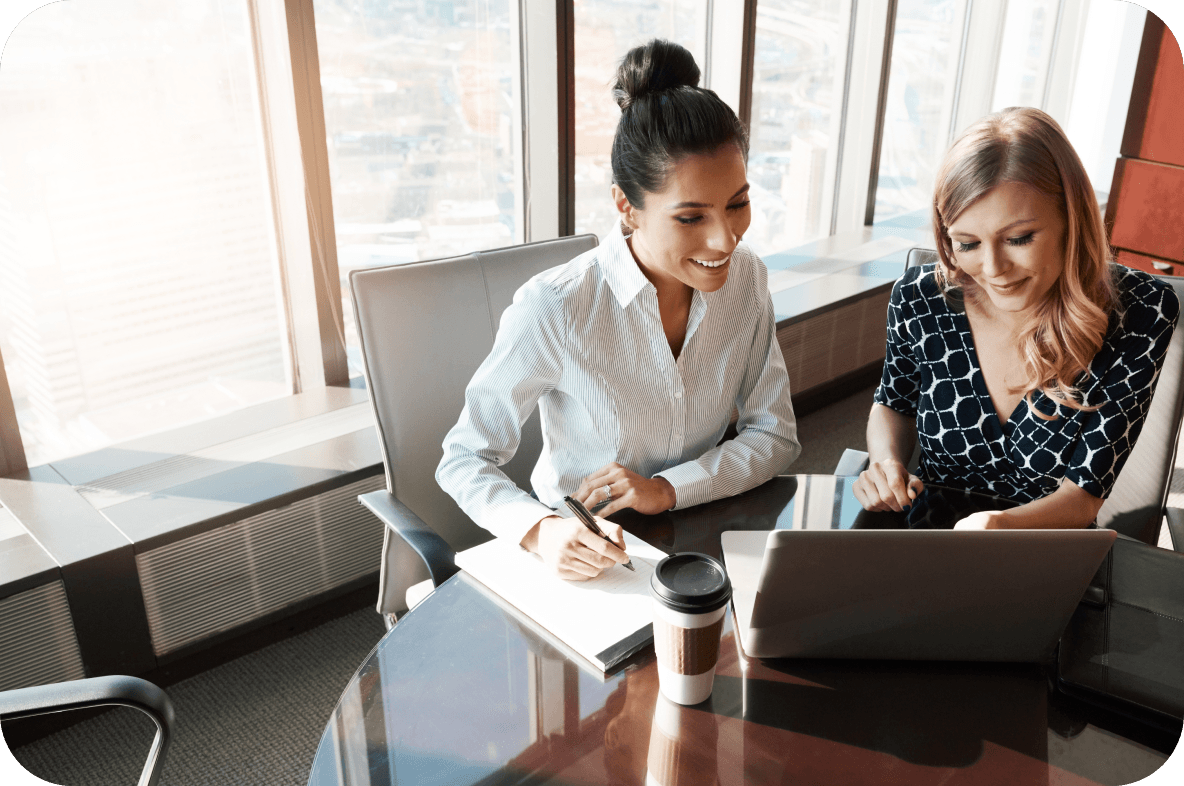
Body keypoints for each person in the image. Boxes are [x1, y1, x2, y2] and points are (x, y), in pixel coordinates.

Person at [437, 39, 800, 578]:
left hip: (701, 527)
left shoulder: (747, 279)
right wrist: (539, 530)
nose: (726, 240)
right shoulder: (556, 307)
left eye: (737, 204)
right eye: (691, 217)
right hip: (588, 546)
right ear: (627, 207)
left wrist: (666, 490)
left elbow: (775, 435)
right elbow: (463, 458)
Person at [854, 107, 1179, 529]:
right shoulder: (921, 298)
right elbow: (892, 403)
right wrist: (885, 463)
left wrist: (1000, 527)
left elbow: (1082, 498)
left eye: (1018, 238)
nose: (993, 269)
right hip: (929, 538)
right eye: (967, 243)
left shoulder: (1140, 310)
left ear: (1070, 219)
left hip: (1047, 548)